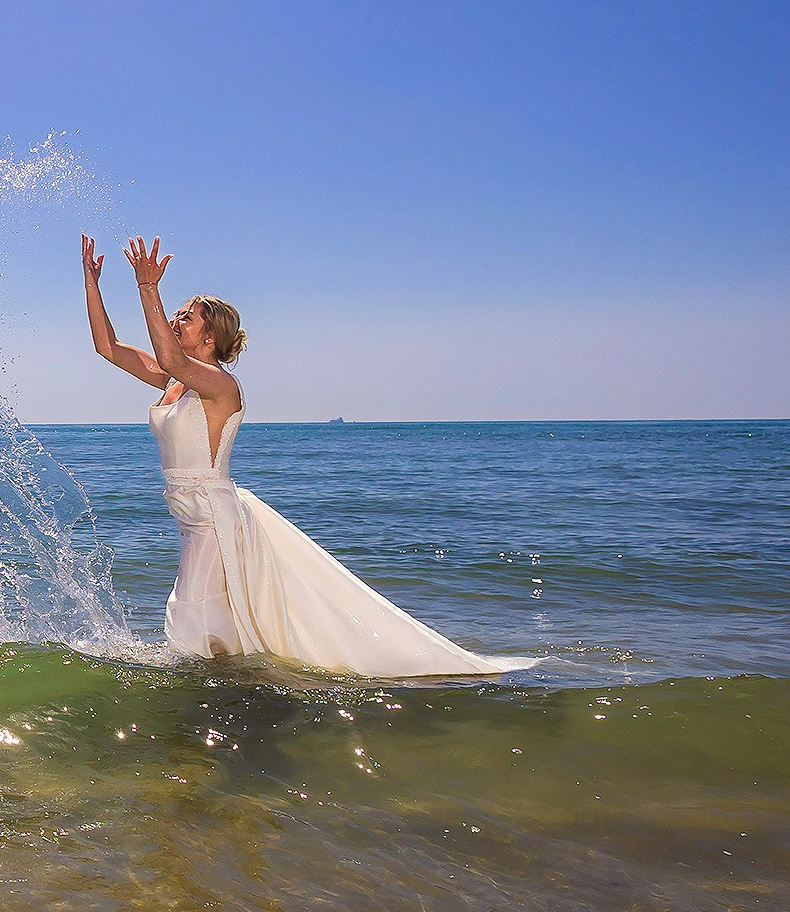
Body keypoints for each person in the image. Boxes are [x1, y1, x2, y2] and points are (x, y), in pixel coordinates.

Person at [81, 233, 535, 677]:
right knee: (209, 619)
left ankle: (210, 701)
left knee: (192, 617)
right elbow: (108, 348)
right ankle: (234, 690)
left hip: (212, 518)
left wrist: (147, 287)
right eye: (176, 314)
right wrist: (91, 283)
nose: (176, 320)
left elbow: (172, 359)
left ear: (211, 337)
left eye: (187, 317)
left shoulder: (220, 386)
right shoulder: (175, 382)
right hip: (189, 514)